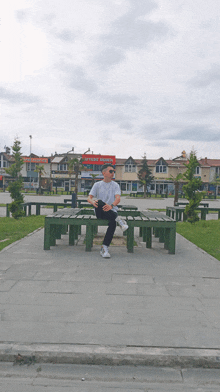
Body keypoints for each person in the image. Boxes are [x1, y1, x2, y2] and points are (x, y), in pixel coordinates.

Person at [87, 164, 128, 258]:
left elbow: (118, 198)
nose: (113, 173)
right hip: (100, 212)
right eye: (110, 171)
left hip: (111, 211)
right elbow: (89, 198)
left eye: (113, 171)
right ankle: (119, 220)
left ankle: (104, 247)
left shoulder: (115, 185)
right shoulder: (97, 185)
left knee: (112, 223)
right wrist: (93, 202)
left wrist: (111, 206)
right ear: (104, 173)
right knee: (100, 202)